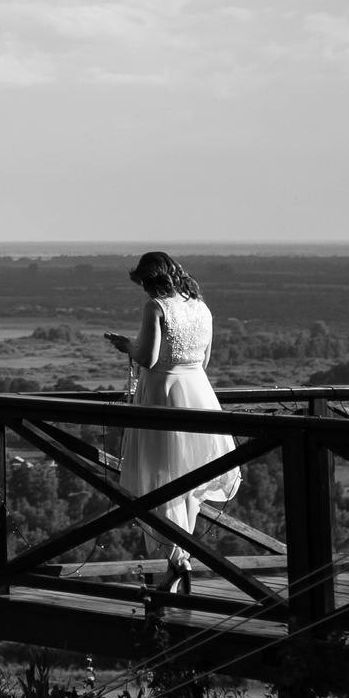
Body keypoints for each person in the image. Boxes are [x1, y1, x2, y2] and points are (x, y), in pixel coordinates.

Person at [102, 250, 239, 594]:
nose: (144, 292)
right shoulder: (201, 307)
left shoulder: (156, 307)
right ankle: (178, 560)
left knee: (160, 477)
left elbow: (147, 356)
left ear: (151, 280)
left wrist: (125, 346)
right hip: (198, 394)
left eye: (144, 284)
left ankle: (178, 561)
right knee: (188, 478)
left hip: (163, 393)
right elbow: (204, 359)